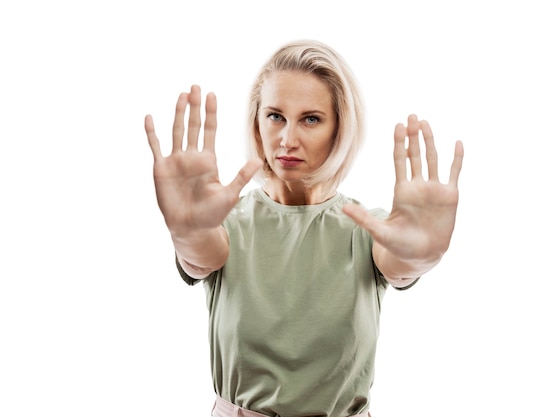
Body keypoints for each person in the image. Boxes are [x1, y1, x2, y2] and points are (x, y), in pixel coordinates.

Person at [144, 39, 463, 417]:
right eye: (275, 116)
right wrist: (187, 232)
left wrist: (419, 255)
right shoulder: (225, 223)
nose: (287, 139)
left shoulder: (368, 228)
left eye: (311, 119)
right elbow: (200, 253)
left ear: (339, 129)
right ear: (257, 122)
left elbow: (397, 261)